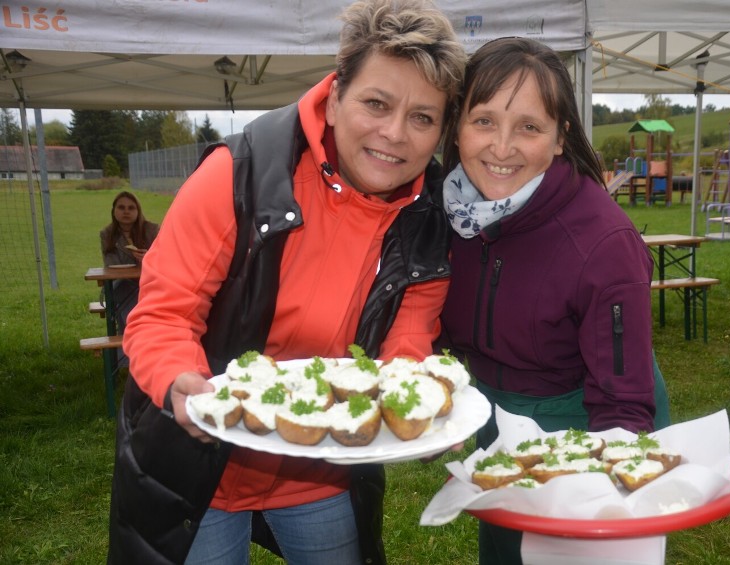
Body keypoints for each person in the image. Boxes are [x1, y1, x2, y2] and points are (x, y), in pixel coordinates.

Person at [106, 1, 466, 564]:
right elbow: (162, 314)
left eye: (423, 117)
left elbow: (408, 339)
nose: (395, 134)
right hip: (200, 468)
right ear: (336, 93)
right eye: (377, 103)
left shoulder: (430, 214)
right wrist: (180, 380)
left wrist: (417, 406)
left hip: (323, 470)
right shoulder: (239, 172)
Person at [436, 37, 664, 564]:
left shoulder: (604, 244)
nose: (501, 147)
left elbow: (623, 403)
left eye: (529, 127)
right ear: (458, 126)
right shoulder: (446, 209)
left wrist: (602, 490)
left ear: (561, 137)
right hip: (496, 417)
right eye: (484, 121)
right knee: (504, 551)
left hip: (587, 415)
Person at [99, 190, 159, 366]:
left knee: (139, 294)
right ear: (114, 211)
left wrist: (149, 256)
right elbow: (111, 265)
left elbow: (164, 258)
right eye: (121, 207)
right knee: (127, 290)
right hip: (119, 285)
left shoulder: (152, 230)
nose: (126, 211)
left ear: (138, 211)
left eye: (131, 208)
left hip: (148, 284)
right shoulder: (106, 234)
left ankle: (132, 354)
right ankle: (137, 350)